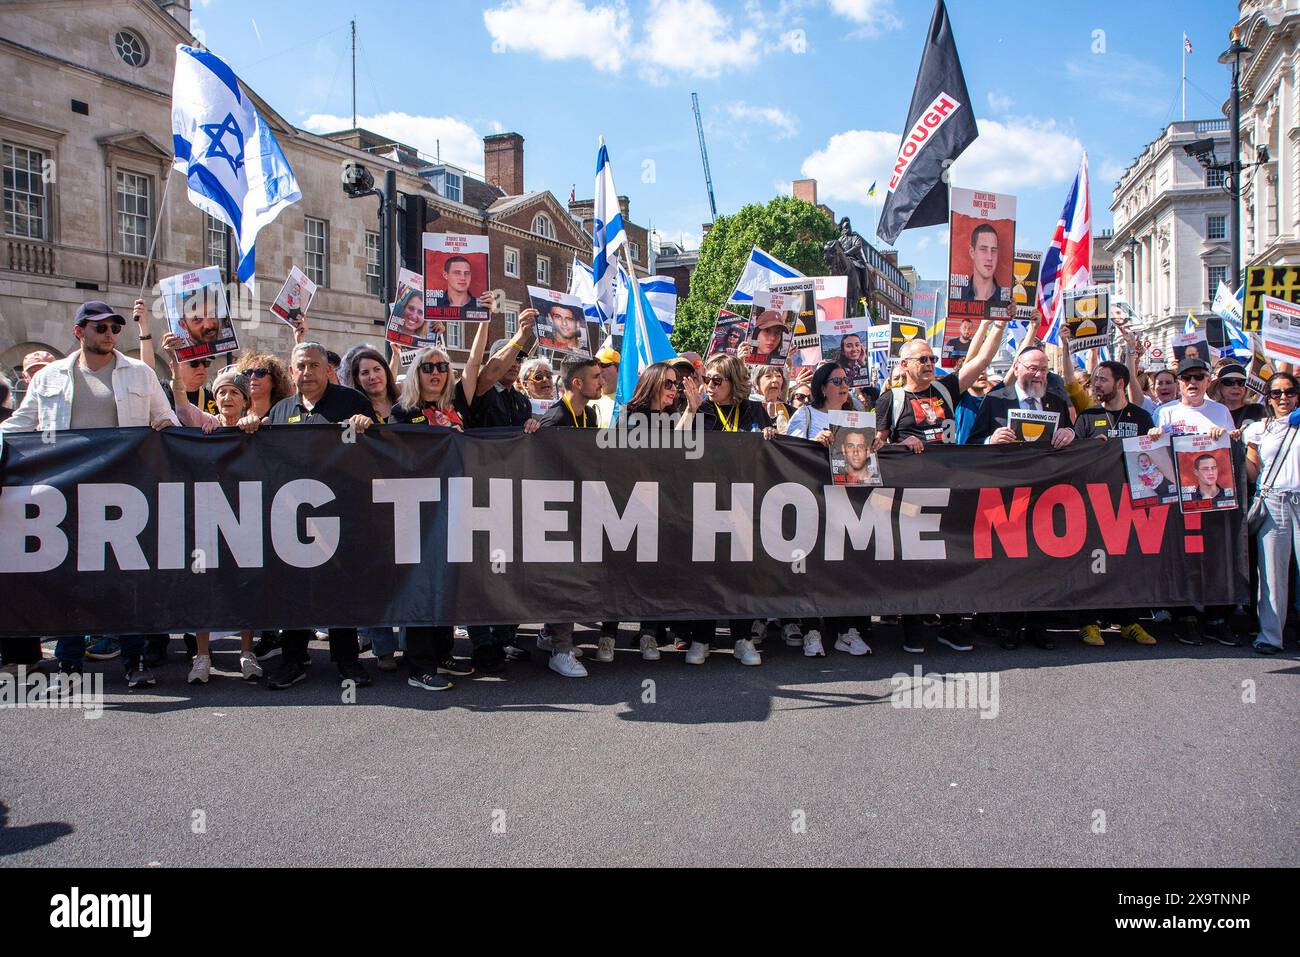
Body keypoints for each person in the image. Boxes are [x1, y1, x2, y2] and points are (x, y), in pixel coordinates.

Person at [2, 300, 179, 689]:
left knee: (125, 577)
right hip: (65, 492)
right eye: (100, 328)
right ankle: (69, 665)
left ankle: (134, 662)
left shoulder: (140, 373)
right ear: (79, 331)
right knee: (70, 579)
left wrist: (166, 423)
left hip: (124, 492)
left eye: (115, 328)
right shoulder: (49, 377)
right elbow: (19, 425)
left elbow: (165, 418)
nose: (110, 334)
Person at [875, 321, 1007, 653]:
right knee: (914, 561)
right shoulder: (890, 400)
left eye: (932, 358)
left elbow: (981, 360)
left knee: (952, 558)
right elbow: (874, 448)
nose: (930, 364)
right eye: (922, 359)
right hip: (909, 494)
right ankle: (914, 625)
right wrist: (901, 444)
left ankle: (951, 624)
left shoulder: (947, 389)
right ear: (904, 365)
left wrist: (999, 324)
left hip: (949, 486)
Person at [261, 341, 377, 690]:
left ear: (327, 369)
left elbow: (376, 446)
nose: (306, 372)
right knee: (296, 587)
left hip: (341, 509)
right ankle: (294, 658)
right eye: (300, 366)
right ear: (292, 370)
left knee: (342, 585)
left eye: (313, 365)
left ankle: (347, 661)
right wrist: (251, 426)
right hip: (293, 515)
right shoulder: (281, 410)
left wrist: (366, 424)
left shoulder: (352, 402)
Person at [1149, 356, 1242, 646]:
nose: (1192, 383)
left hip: (1213, 499)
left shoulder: (1220, 411)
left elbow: (1231, 448)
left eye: (1198, 378)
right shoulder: (1165, 412)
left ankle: (1216, 618)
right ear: (1178, 383)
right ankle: (1185, 617)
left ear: (1207, 381)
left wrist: (1225, 436)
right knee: (1182, 558)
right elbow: (1154, 452)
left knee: (1215, 557)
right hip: (1178, 500)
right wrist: (1154, 436)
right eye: (1187, 378)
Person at [784, 363, 874, 656]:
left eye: (845, 380)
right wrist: (813, 442)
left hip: (847, 502)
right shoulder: (807, 414)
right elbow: (788, 449)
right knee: (811, 569)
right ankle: (811, 630)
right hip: (812, 499)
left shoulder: (856, 417)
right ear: (822, 387)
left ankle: (845, 631)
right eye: (836, 380)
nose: (843, 385)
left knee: (844, 569)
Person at [619, 361, 703, 661]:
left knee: (655, 572)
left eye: (676, 384)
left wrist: (691, 411)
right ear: (653, 383)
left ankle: (649, 634)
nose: (674, 389)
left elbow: (676, 451)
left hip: (662, 505)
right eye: (668, 383)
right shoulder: (631, 415)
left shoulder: (671, 416)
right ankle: (608, 636)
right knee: (626, 572)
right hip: (631, 505)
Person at [534, 357, 606, 677]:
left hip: (577, 508)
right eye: (595, 377)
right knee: (564, 579)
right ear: (577, 384)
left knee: (573, 577)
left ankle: (551, 635)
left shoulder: (587, 414)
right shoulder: (554, 418)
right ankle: (561, 649)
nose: (601, 382)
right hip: (554, 513)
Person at [1244, 372, 1300, 654]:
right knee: (1271, 573)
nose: (1283, 398)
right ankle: (1270, 636)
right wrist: (1235, 453)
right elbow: (1253, 472)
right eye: (1276, 394)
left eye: (1289, 392)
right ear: (1267, 398)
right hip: (1273, 500)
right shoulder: (1258, 429)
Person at [968, 345, 1077, 448]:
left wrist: (1069, 433)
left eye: (1043, 369)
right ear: (1016, 369)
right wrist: (991, 440)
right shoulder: (994, 400)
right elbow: (972, 443)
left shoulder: (1057, 402)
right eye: (1033, 368)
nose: (1039, 375)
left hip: (1045, 466)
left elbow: (1074, 437)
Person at [348, 347, 399, 423]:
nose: (372, 377)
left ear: (385, 371)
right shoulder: (353, 411)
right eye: (365, 373)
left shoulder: (405, 402)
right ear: (358, 380)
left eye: (377, 369)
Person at [235, 351, 292, 419]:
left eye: (260, 372)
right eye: (248, 373)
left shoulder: (284, 415)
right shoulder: (236, 414)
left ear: (274, 381)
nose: (253, 377)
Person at [1212, 363, 1265, 430]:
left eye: (1241, 383)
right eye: (1229, 382)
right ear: (1219, 386)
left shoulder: (1258, 410)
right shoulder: (1212, 411)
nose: (1236, 386)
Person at [959, 224, 1003, 303]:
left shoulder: (1007, 301)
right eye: (983, 249)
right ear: (972, 252)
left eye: (993, 250)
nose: (989, 257)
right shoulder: (958, 295)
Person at [590, 345, 620, 428]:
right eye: (596, 365)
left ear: (618, 369)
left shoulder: (628, 399)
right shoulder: (587, 397)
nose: (598, 369)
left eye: (603, 364)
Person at [754, 365, 791, 431]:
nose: (775, 380)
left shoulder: (790, 411)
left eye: (778, 376)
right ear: (757, 383)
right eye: (768, 376)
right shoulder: (748, 408)